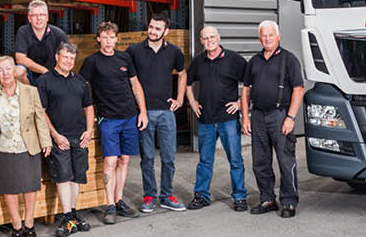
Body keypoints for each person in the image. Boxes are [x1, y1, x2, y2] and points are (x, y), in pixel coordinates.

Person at [0, 56, 52, 237]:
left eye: (8, 69)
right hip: (3, 146)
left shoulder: (30, 91)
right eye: (0, 70)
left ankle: (29, 223)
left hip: (28, 145)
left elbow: (40, 118)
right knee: (9, 188)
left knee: (30, 186)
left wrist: (46, 141)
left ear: (15, 71)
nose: (5, 73)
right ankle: (16, 224)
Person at [79, 21, 148, 225]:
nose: (108, 41)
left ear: (116, 39)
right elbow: (80, 88)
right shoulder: (92, 61)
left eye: (111, 37)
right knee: (110, 161)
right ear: (98, 39)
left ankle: (119, 201)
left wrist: (143, 112)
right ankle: (109, 205)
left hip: (129, 116)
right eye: (104, 37)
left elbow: (135, 85)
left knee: (124, 160)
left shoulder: (124, 58)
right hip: (108, 118)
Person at [240, 20, 305, 218]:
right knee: (260, 162)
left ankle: (289, 201)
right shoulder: (254, 61)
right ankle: (267, 199)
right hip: (258, 115)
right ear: (259, 38)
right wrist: (245, 117)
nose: (267, 38)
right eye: (264, 35)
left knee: (285, 161)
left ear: (278, 36)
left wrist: (290, 117)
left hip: (280, 115)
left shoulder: (289, 59)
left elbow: (298, 89)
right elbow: (246, 90)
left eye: (271, 35)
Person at [126, 11, 187, 213]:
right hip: (144, 113)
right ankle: (149, 195)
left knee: (169, 157)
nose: (152, 31)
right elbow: (129, 80)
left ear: (166, 31)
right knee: (147, 158)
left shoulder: (174, 52)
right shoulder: (134, 51)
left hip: (166, 113)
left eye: (157, 28)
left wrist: (180, 99)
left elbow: (182, 74)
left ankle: (167, 195)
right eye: (151, 27)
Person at [184, 26, 249, 212]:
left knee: (235, 160)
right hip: (206, 120)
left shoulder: (234, 59)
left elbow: (249, 83)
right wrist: (192, 103)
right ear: (201, 41)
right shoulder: (198, 61)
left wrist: (240, 103)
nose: (209, 41)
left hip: (228, 120)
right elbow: (187, 83)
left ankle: (240, 197)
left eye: (212, 37)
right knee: (205, 161)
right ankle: (201, 195)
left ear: (218, 38)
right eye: (205, 38)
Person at [35, 42, 95, 237]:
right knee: (63, 177)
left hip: (80, 137)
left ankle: (73, 215)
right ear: (57, 57)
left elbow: (89, 107)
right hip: (60, 138)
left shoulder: (80, 81)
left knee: (77, 176)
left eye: (72, 58)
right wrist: (55, 135)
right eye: (65, 57)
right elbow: (41, 112)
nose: (69, 61)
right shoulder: (45, 81)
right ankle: (67, 216)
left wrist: (89, 131)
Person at [14, 0, 69, 85]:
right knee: (18, 71)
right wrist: (44, 71)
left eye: (42, 15)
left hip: (53, 73)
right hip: (30, 73)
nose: (38, 18)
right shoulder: (23, 32)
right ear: (29, 18)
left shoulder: (59, 34)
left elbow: (66, 58)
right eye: (34, 15)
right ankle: (29, 92)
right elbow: (20, 59)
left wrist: (55, 75)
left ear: (47, 17)